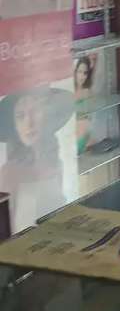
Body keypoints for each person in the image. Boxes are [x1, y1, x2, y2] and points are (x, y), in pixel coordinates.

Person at [0, 87, 74, 231]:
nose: (29, 123)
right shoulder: (9, 173)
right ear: (14, 126)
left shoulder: (55, 162)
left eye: (34, 111)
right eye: (20, 116)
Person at [74, 54, 97, 153]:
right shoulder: (68, 91)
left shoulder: (87, 92)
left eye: (85, 73)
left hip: (85, 139)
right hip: (73, 140)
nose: (82, 76)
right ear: (75, 72)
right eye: (79, 72)